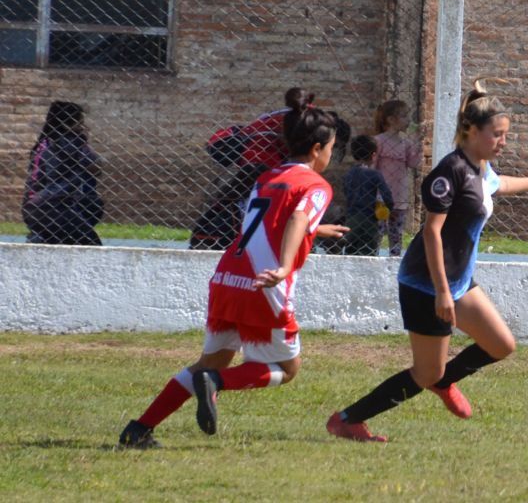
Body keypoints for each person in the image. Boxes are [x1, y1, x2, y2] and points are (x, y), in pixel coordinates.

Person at [325, 82, 528, 442]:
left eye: (505, 135)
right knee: (424, 374)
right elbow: (431, 233)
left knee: (501, 344)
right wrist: (442, 293)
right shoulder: (449, 172)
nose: (502, 142)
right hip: (427, 284)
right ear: (472, 131)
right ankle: (347, 419)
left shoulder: (480, 166)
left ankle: (445, 380)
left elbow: (496, 185)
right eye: (497, 135)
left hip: (456, 282)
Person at [118, 104, 350, 448]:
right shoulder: (316, 186)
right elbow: (297, 220)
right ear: (317, 150)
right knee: (287, 370)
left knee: (210, 360)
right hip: (263, 286)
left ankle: (139, 429)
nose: (331, 155)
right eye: (331, 148)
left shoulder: (267, 177)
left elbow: (268, 228)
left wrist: (316, 231)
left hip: (228, 278)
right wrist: (286, 266)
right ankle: (215, 382)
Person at [190, 88, 350, 250]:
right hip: (261, 154)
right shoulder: (312, 122)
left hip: (255, 152)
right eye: (331, 147)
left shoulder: (305, 113)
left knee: (250, 200)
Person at [21, 100, 104, 246]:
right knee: (92, 245)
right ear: (66, 125)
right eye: (80, 123)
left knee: (61, 238)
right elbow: (95, 168)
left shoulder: (44, 142)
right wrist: (84, 143)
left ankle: (42, 238)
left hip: (32, 206)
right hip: (55, 207)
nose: (84, 127)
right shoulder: (69, 142)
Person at [374, 99, 423, 256]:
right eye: (404, 116)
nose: (408, 120)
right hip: (381, 193)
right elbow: (373, 166)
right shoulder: (379, 140)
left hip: (400, 193)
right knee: (379, 228)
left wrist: (418, 144)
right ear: (391, 119)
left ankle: (395, 257)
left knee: (397, 230)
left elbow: (413, 163)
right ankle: (373, 253)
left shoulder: (406, 143)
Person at [343, 135, 394, 256]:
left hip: (351, 216)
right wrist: (389, 208)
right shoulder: (375, 174)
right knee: (368, 249)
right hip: (369, 218)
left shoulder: (349, 174)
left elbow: (345, 191)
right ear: (373, 155)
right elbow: (386, 194)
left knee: (350, 248)